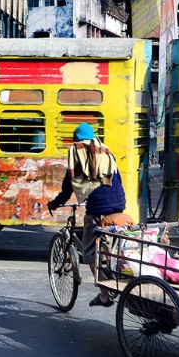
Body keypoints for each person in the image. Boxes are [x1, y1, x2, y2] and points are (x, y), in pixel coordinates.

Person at [48, 122, 131, 307]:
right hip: (118, 204)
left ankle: (104, 294)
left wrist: (55, 203)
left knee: (89, 251)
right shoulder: (107, 153)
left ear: (77, 142)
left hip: (98, 209)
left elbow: (67, 191)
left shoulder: (78, 157)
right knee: (111, 243)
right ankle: (115, 272)